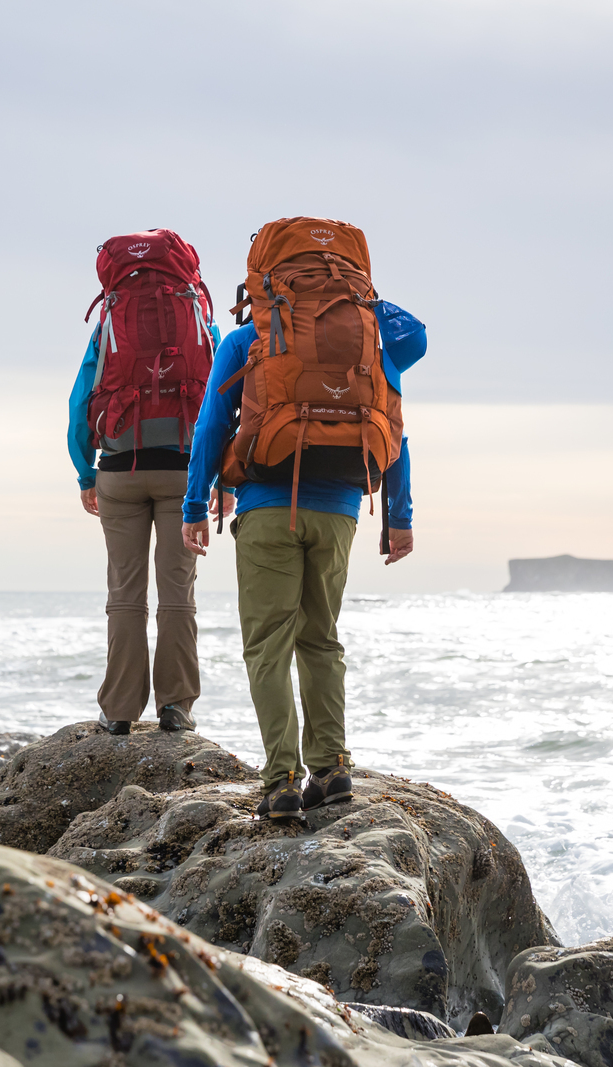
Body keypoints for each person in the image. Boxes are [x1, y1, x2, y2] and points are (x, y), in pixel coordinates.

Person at [181, 217, 425, 818]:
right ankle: (333, 768)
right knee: (322, 639)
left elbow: (211, 427)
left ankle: (282, 782)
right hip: (340, 511)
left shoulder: (249, 338)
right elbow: (394, 427)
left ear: (266, 277)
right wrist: (399, 518)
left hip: (266, 510)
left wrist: (195, 504)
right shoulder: (369, 341)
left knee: (268, 645)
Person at [68, 229, 223, 736]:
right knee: (177, 594)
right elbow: (223, 403)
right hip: (184, 471)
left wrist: (85, 471)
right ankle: (176, 708)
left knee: (124, 593)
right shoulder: (199, 319)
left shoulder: (110, 319)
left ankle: (119, 710)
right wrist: (220, 477)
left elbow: (79, 400)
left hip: (119, 471)